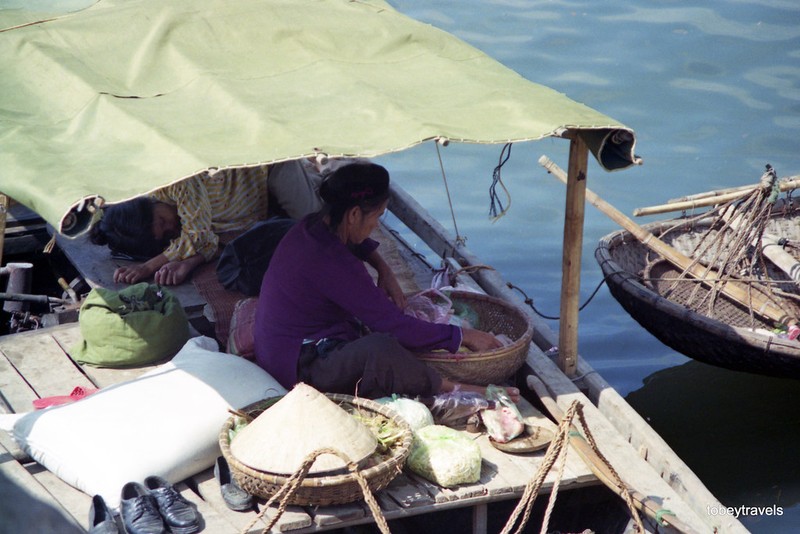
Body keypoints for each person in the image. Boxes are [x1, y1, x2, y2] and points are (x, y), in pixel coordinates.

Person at [254, 162, 520, 401]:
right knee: (381, 348)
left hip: (284, 347)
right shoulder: (333, 262)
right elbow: (395, 326)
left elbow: (356, 243)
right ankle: (449, 387)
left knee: (372, 330)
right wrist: (464, 335)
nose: (376, 225)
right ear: (355, 215)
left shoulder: (313, 226)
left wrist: (384, 268)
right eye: (377, 217)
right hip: (297, 369)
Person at [89, 160, 325, 286]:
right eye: (166, 235)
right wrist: (189, 261)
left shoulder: (177, 181)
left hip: (270, 165)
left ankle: (314, 170)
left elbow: (199, 236)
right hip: (260, 203)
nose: (171, 227)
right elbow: (208, 241)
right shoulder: (184, 222)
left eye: (162, 221)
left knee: (318, 224)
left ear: (149, 201)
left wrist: (149, 267)